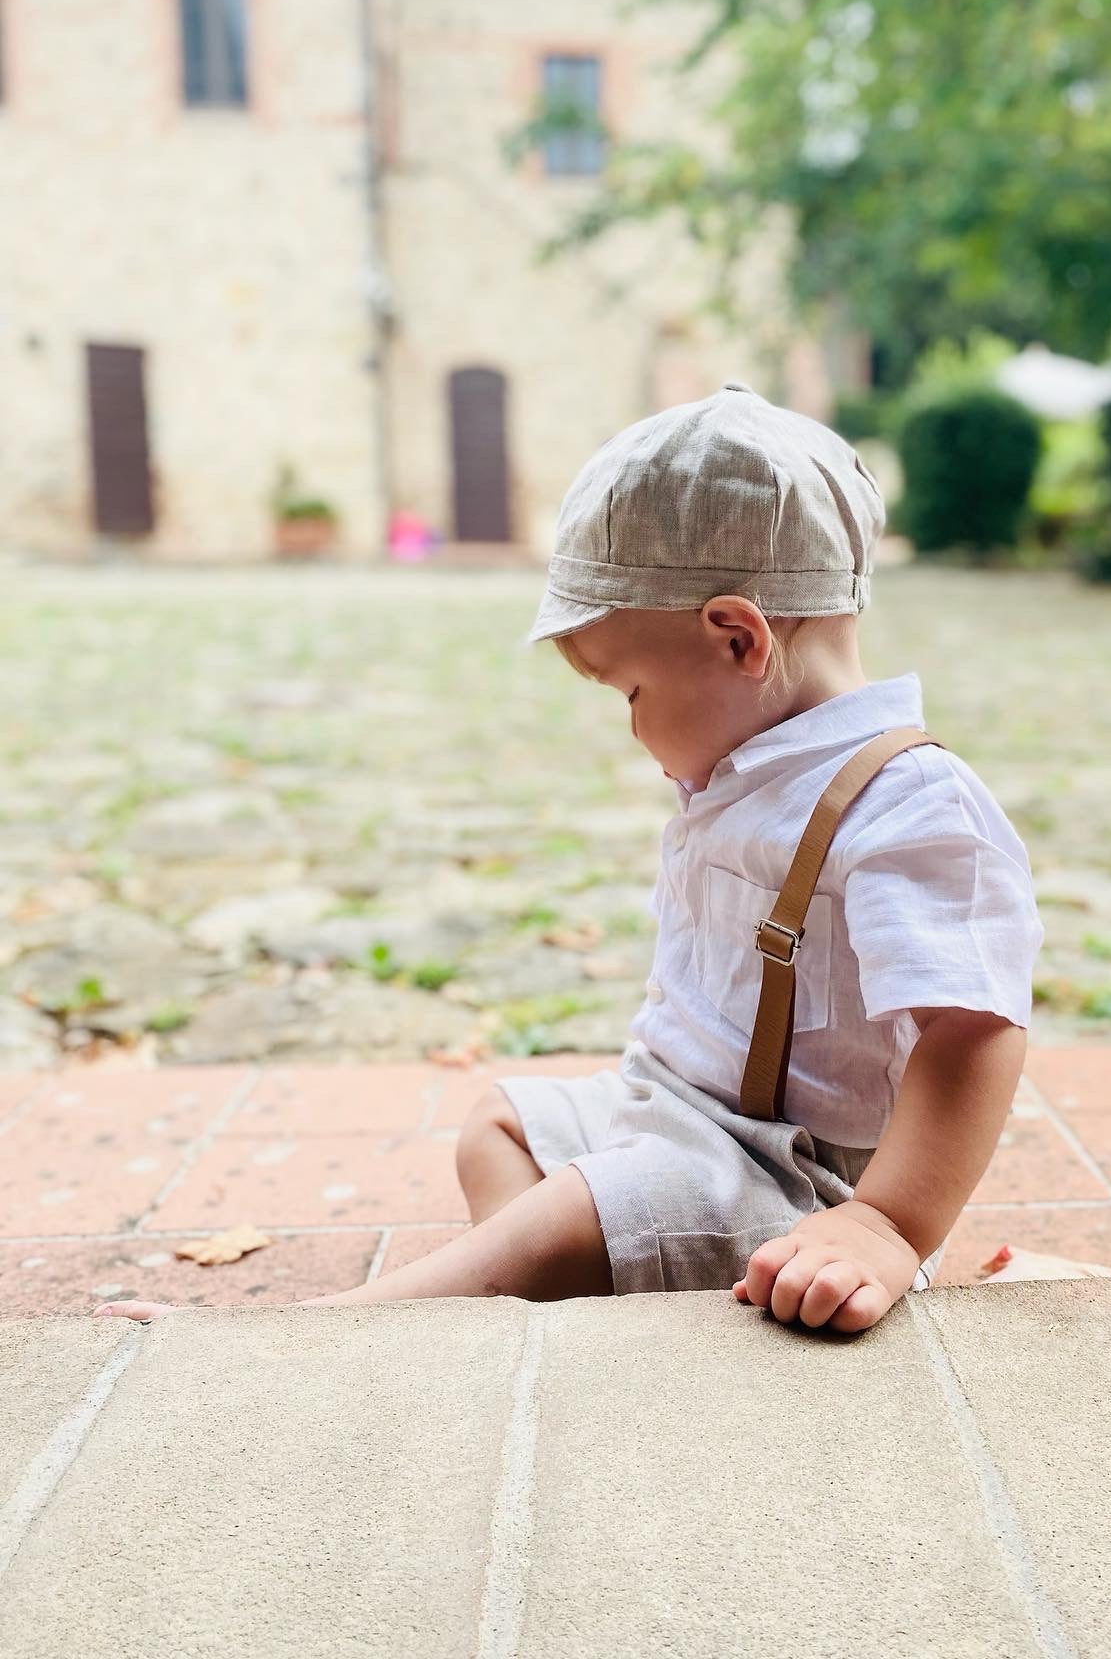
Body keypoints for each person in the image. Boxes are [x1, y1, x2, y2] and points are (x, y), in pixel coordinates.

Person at [96, 381, 1044, 1335]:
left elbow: (973, 1029)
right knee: (498, 1127)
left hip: (788, 1178)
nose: (630, 725)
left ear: (738, 638)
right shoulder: (750, 766)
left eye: (628, 689)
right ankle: (576, 1319)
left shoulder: (907, 804)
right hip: (671, 1111)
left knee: (568, 1216)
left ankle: (333, 1329)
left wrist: (887, 1224)